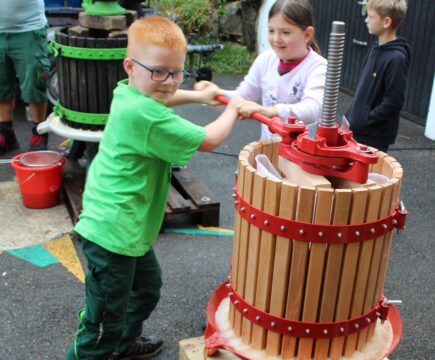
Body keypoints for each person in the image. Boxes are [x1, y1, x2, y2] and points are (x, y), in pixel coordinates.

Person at [65, 16, 241, 360]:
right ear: (130, 66)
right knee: (101, 324)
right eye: (159, 71)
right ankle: (104, 346)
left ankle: (123, 343)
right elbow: (209, 139)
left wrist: (201, 97)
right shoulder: (144, 116)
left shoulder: (127, 91)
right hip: (111, 234)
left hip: (130, 228)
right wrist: (233, 108)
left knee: (146, 289)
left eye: (177, 72)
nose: (169, 81)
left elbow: (162, 94)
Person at [219, 0, 327, 139]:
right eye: (271, 30)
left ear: (307, 35)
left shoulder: (318, 67)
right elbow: (241, 97)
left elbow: (313, 109)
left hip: (301, 155)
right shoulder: (265, 60)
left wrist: (271, 111)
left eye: (286, 32)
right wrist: (214, 94)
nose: (276, 39)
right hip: (269, 148)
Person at [345, 0, 410, 153]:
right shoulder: (375, 48)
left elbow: (393, 101)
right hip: (358, 130)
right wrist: (352, 115)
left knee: (367, 176)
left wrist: (365, 119)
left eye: (370, 16)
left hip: (374, 137)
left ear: (386, 21)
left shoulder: (396, 59)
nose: (366, 19)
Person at [0, 0, 50, 154]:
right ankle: (5, 133)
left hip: (28, 29)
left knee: (34, 84)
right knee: (1, 84)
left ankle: (39, 132)